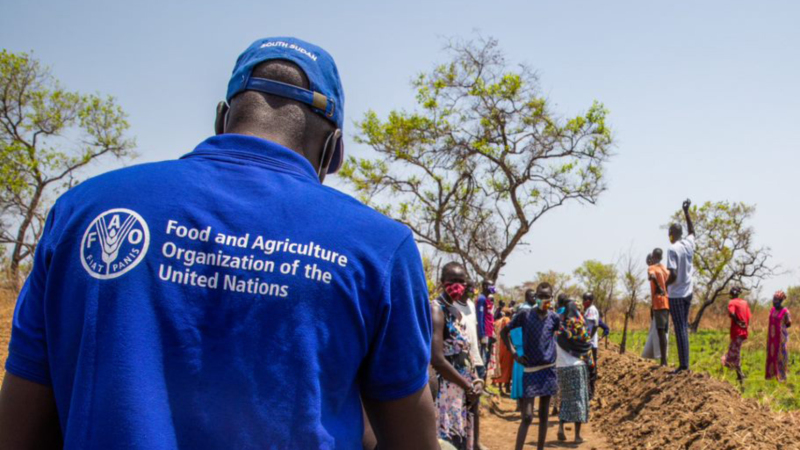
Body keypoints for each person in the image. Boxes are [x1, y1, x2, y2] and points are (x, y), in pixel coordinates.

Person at [0, 37, 438, 450]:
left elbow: (19, 429)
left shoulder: (83, 212)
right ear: (333, 150)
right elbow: (410, 439)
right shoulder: (380, 249)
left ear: (221, 119)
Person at [500, 283, 560, 450]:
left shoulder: (554, 318)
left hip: (548, 370)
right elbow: (504, 332)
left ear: (551, 298)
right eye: (540, 297)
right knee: (527, 416)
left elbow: (557, 337)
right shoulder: (524, 315)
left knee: (543, 415)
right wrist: (514, 354)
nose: (543, 300)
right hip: (530, 369)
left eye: (547, 297)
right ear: (536, 297)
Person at [430, 262, 483, 450]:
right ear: (442, 282)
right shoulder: (437, 310)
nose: (457, 286)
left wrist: (475, 381)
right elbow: (437, 359)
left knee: (461, 442)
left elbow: (465, 352)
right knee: (449, 442)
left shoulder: (457, 311)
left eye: (461, 281)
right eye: (452, 281)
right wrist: (467, 385)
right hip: (447, 390)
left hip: (463, 388)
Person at [554, 296, 592, 444]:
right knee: (579, 400)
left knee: (565, 398)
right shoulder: (579, 326)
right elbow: (586, 343)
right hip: (576, 366)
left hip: (561, 367)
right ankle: (577, 436)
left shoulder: (559, 327)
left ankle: (561, 428)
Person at [454, 280, 485, 449]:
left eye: (472, 290)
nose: (470, 292)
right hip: (460, 362)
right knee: (460, 405)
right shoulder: (452, 306)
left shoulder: (472, 306)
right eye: (468, 289)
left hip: (476, 360)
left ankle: (476, 442)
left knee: (475, 404)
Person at [666, 199, 695, 374]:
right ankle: (685, 363)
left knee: (680, 328)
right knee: (683, 326)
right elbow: (692, 231)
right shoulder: (688, 244)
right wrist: (686, 213)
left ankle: (684, 365)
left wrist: (664, 285)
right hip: (688, 292)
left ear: (671, 234)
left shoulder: (673, 249)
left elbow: (673, 274)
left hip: (676, 294)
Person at [722, 287, 751, 386]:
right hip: (743, 332)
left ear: (732, 294)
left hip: (737, 332)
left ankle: (740, 375)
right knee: (735, 352)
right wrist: (745, 327)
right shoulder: (745, 303)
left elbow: (732, 313)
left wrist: (738, 322)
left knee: (734, 354)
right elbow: (748, 317)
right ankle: (739, 375)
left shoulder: (732, 302)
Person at [648, 249, 670, 366]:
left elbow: (652, 276)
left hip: (659, 302)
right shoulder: (665, 269)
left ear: (653, 256)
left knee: (661, 332)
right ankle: (664, 360)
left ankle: (663, 361)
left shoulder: (652, 268)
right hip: (667, 301)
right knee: (664, 332)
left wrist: (659, 287)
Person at [766, 291, 792, 382]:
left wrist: (781, 328)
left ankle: (782, 377)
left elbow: (788, 323)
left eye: (776, 300)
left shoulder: (785, 311)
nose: (774, 302)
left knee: (781, 357)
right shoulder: (772, 310)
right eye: (774, 299)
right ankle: (772, 376)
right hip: (771, 337)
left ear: (781, 301)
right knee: (771, 355)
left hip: (781, 338)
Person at [582, 292, 600, 398]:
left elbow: (595, 325)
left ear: (589, 301)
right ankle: (589, 391)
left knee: (591, 367)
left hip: (591, 344)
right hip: (590, 343)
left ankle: (591, 392)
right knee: (589, 367)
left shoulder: (591, 310)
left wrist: (589, 338)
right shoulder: (588, 309)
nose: (583, 302)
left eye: (584, 300)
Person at [492, 308, 514, 395]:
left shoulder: (497, 322)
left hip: (497, 346)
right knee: (507, 367)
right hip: (506, 347)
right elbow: (509, 334)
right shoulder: (507, 320)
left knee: (499, 366)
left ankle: (500, 387)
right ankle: (506, 388)